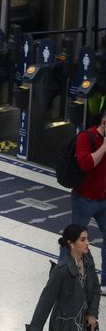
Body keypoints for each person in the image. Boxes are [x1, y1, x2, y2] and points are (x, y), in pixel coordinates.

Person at [59, 111, 106, 296]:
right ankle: (63, 277)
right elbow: (86, 164)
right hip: (84, 199)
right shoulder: (86, 138)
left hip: (104, 199)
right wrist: (104, 147)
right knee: (73, 240)